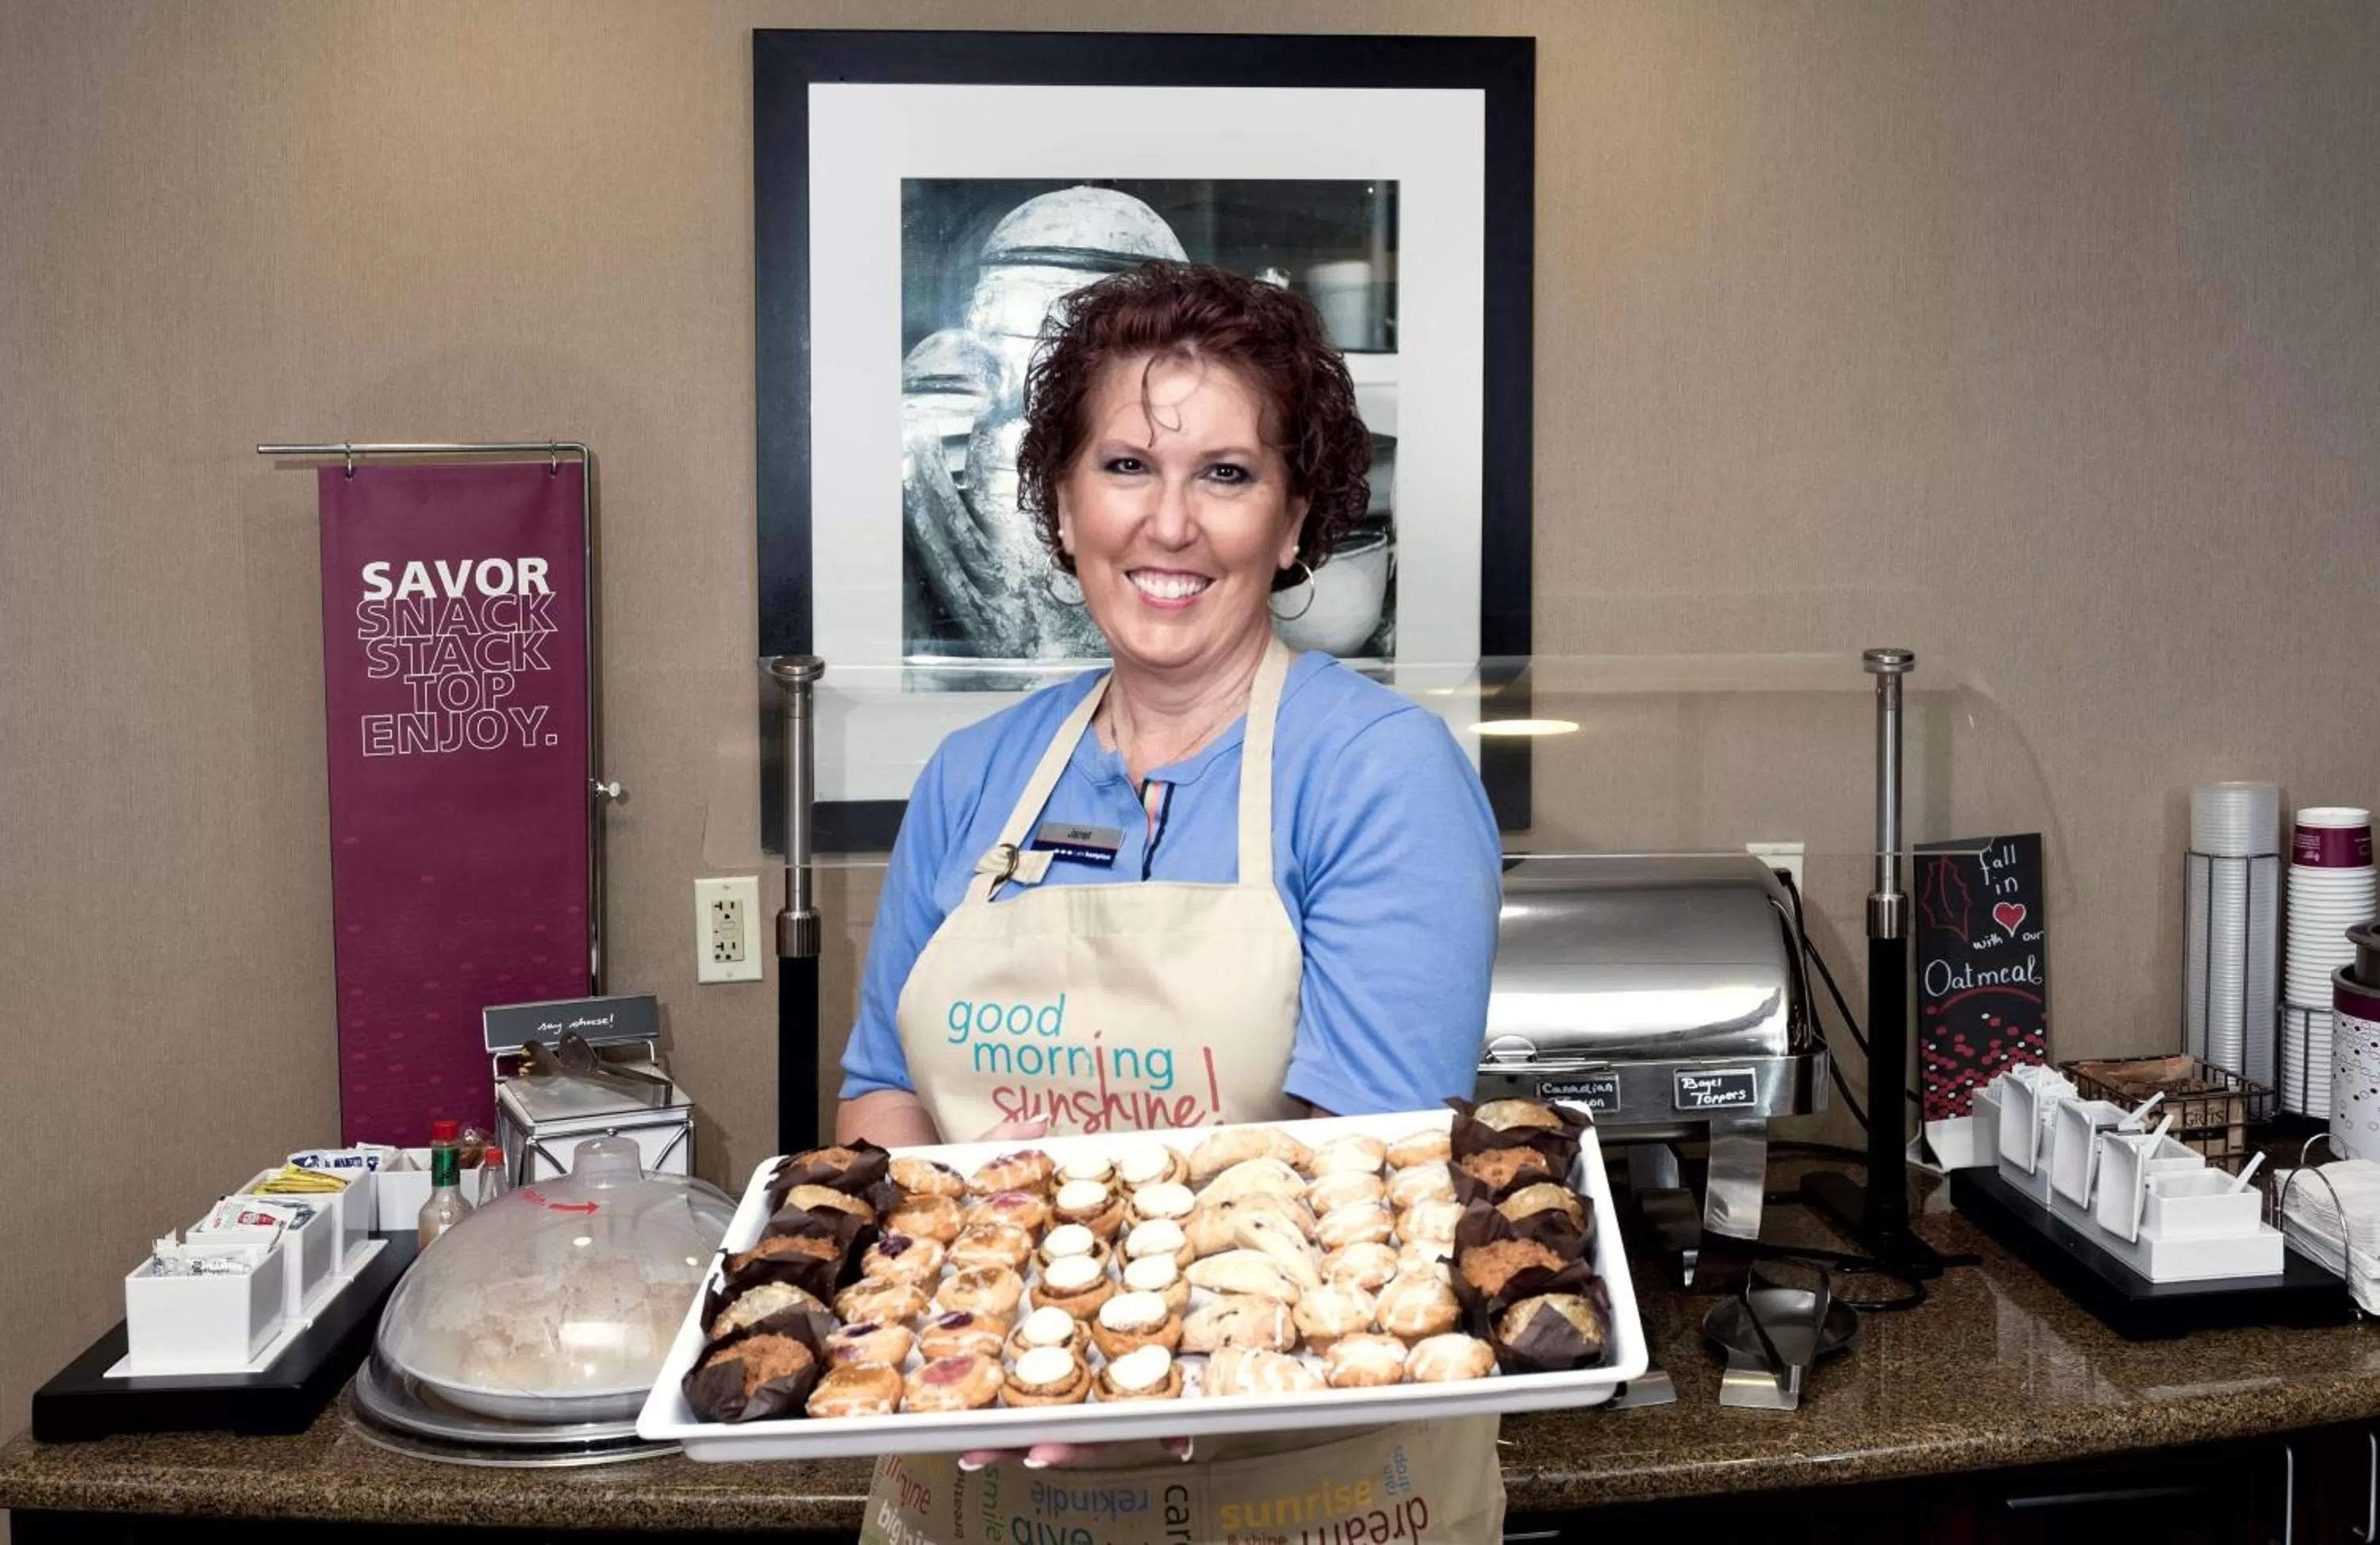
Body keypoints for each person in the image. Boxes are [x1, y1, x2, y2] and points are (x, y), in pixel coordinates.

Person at [839, 261, 1507, 1541]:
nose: (1170, 526)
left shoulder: (1378, 775)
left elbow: (1358, 1170)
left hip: (1309, 1476)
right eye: (1128, 466)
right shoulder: (975, 777)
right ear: (1060, 498)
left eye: (1228, 474)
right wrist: (989, 1287)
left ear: (1299, 519)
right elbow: (880, 1093)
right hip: (980, 1459)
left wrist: (1052, 1255)